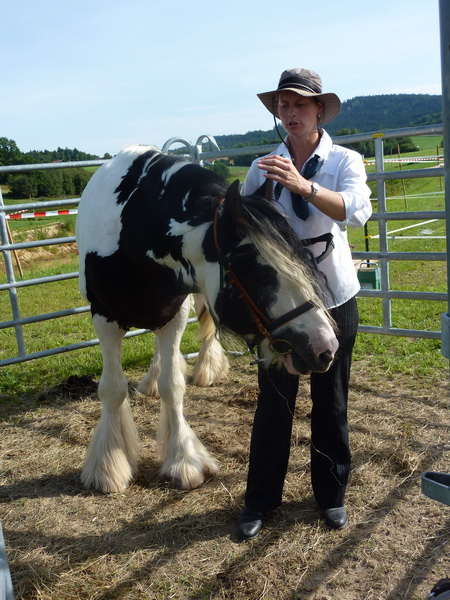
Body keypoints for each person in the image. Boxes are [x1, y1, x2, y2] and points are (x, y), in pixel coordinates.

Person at [236, 68, 372, 540]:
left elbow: (355, 211)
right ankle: (260, 500)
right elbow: (244, 224)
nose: (290, 113)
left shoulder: (345, 160)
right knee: (274, 401)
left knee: (330, 399)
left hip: (333, 295)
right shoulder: (262, 167)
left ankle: (331, 495)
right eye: (283, 105)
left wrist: (303, 186)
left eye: (299, 104)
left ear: (319, 110)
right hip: (281, 306)